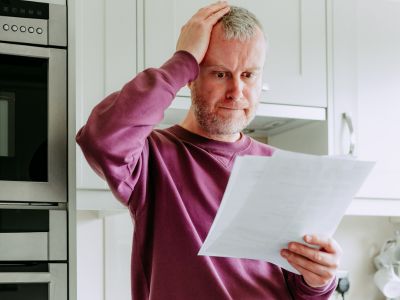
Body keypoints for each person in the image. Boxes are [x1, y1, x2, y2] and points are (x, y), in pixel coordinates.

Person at [76, 2, 341, 299]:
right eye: (220, 73)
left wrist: (317, 280)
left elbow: (298, 289)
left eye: (249, 75)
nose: (237, 92)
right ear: (190, 76)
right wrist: (182, 59)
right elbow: (101, 138)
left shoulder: (280, 169)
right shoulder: (151, 159)